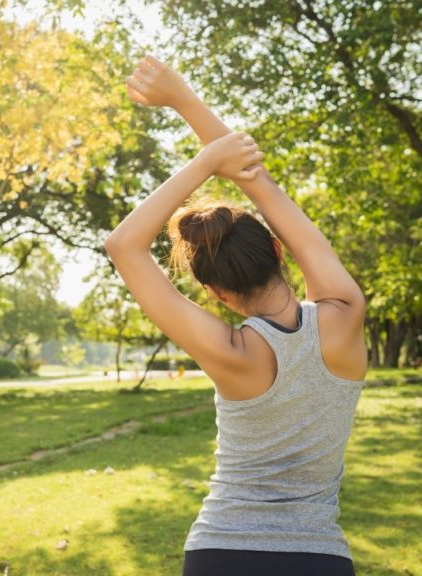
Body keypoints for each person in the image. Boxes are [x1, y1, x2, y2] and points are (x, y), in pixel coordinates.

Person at [104, 55, 367, 576]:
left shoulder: (231, 353)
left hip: (220, 552)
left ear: (218, 294)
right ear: (277, 247)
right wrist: (186, 102)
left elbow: (123, 245)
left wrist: (204, 163)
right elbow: (259, 185)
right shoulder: (345, 314)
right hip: (318, 558)